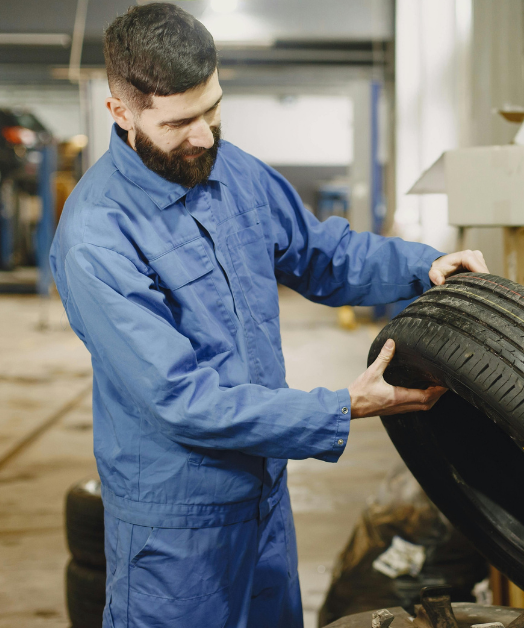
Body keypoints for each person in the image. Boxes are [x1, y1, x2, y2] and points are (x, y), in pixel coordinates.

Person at [49, 4, 488, 627]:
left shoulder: (232, 171)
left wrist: (425, 266)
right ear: (121, 113)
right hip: (177, 531)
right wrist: (341, 407)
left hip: (264, 502)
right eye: (179, 122)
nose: (203, 136)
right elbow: (181, 399)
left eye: (213, 108)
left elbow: (320, 254)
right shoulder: (97, 236)